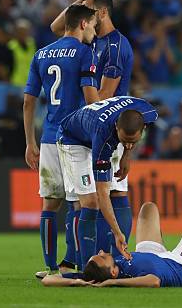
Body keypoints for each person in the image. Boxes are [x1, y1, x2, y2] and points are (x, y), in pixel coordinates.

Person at [51, 0, 135, 261]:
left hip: (108, 128)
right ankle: (81, 258)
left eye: (89, 11)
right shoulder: (91, 41)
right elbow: (58, 26)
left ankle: (115, 257)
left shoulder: (115, 46)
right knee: (85, 196)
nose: (84, 17)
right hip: (90, 129)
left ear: (102, 13)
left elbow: (105, 98)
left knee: (113, 192)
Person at [23, 4, 99, 279]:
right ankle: (74, 265)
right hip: (74, 139)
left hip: (48, 138)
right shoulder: (84, 52)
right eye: (92, 24)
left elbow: (29, 101)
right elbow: (90, 97)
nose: (94, 29)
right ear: (82, 24)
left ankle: (50, 266)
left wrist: (30, 142)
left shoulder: (41, 54)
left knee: (49, 204)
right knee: (78, 203)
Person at [56, 96, 158, 268]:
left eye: (133, 141)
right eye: (124, 140)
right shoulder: (103, 139)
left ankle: (114, 262)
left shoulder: (147, 112)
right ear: (117, 127)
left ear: (143, 129)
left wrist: (127, 154)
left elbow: (129, 138)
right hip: (72, 141)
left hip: (95, 130)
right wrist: (117, 233)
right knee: (90, 202)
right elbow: (103, 195)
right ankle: (86, 268)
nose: (128, 144)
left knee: (116, 192)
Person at [41, 201, 182, 288]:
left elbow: (48, 280)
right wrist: (114, 283)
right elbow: (155, 281)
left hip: (146, 253)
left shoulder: (91, 275)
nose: (103, 251)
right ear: (113, 272)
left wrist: (77, 282)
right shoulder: (131, 278)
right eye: (104, 256)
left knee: (148, 208)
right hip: (179, 265)